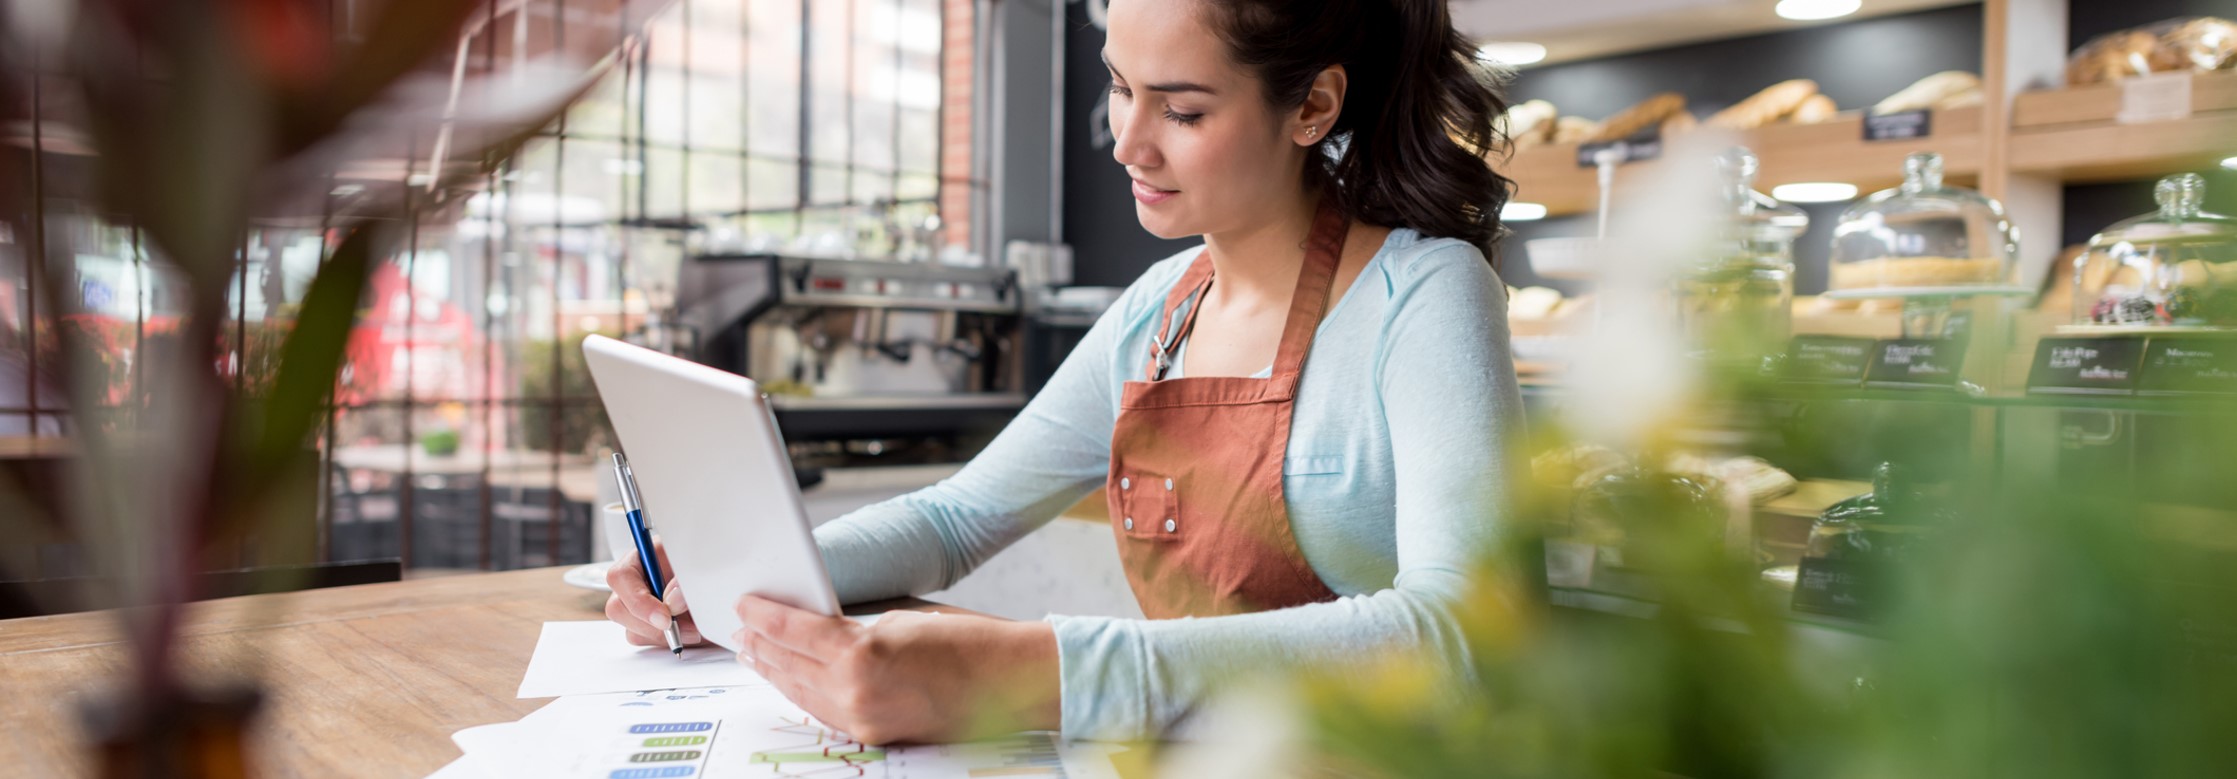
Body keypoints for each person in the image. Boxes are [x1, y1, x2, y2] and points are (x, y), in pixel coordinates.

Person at [607, 0, 1523, 744]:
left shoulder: (1426, 294)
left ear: (1312, 108)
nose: (1128, 142)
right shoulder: (1159, 309)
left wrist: (1021, 669)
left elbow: (1458, 631)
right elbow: (957, 516)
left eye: (1183, 109)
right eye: (1120, 87)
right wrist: (738, 581)